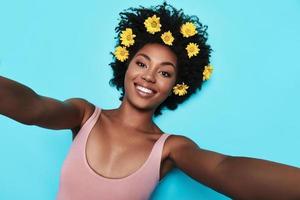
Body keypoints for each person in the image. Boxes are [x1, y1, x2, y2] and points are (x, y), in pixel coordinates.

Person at [0, 2, 299, 200]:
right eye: (142, 64)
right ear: (126, 65)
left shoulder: (169, 148)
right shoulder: (83, 115)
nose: (149, 77)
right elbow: (33, 106)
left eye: (164, 72)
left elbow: (224, 168)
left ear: (176, 86)